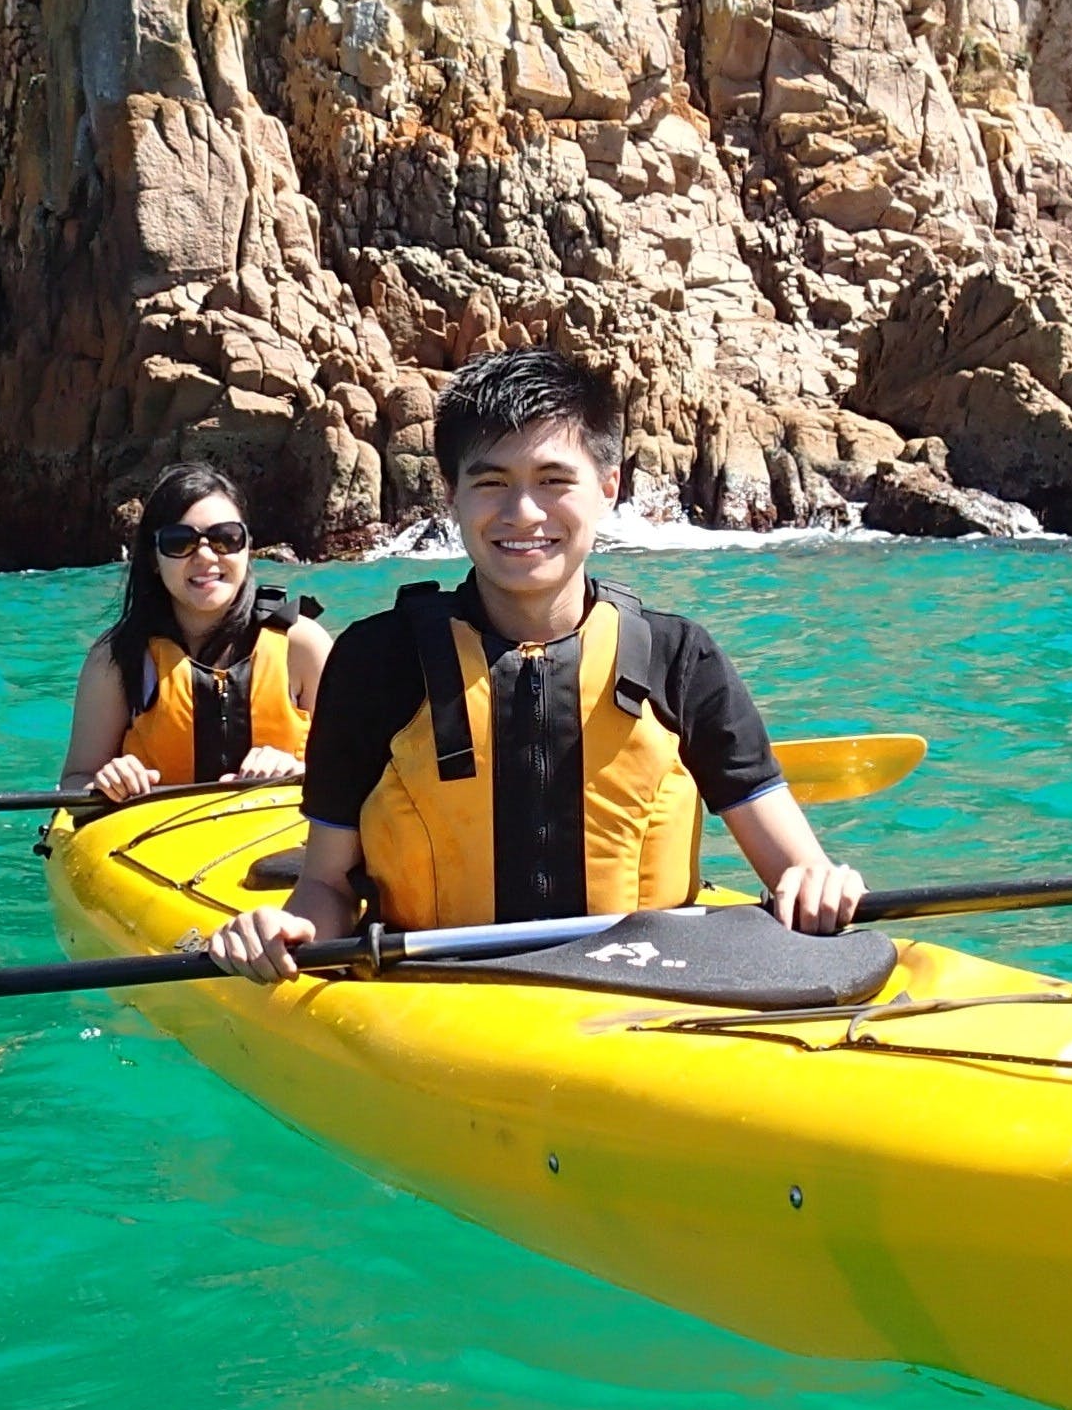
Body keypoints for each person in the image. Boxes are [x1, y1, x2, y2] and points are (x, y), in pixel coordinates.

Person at [206, 349, 861, 976]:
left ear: (608, 487)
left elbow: (794, 868)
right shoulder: (377, 662)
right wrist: (292, 928)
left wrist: (817, 881)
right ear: (452, 494)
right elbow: (325, 886)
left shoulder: (680, 658)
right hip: (441, 998)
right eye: (491, 482)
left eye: (554, 481)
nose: (523, 513)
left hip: (652, 996)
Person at [59, 464, 331, 805]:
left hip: (284, 843)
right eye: (179, 542)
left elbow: (352, 771)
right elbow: (75, 782)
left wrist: (298, 770)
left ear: (247, 549)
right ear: (154, 558)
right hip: (153, 847)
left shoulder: (303, 645)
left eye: (226, 538)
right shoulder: (117, 658)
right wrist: (106, 783)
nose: (205, 556)